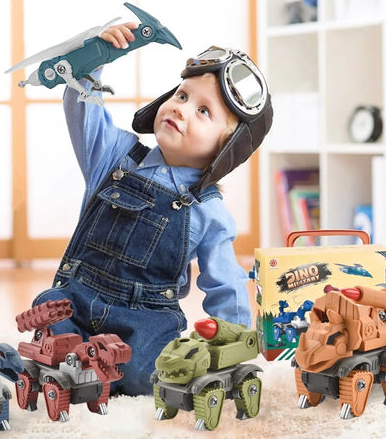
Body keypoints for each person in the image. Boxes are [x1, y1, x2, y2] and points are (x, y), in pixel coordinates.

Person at [32, 22, 273, 395]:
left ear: (226, 148)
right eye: (181, 95)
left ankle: (98, 369)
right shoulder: (114, 156)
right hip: (77, 298)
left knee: (151, 375)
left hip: (142, 320)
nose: (181, 108)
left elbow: (226, 283)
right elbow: (82, 110)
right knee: (48, 312)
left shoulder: (208, 211)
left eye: (203, 111)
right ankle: (79, 362)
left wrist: (234, 342)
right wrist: (95, 59)